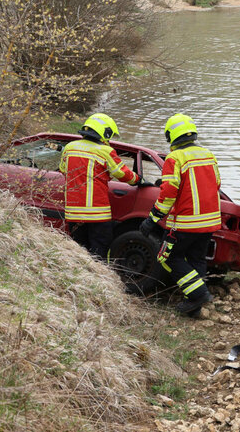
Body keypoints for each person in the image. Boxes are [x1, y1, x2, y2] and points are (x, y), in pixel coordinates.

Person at [139, 114, 220, 317]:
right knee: (197, 259)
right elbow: (216, 183)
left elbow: (168, 193)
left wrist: (153, 219)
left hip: (186, 222)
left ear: (170, 135)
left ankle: (198, 295)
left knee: (166, 257)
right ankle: (194, 307)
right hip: (210, 221)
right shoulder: (208, 154)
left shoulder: (175, 158)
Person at [59, 113, 139, 259]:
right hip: (97, 213)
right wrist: (138, 180)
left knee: (78, 249)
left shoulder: (69, 148)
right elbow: (122, 173)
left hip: (73, 212)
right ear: (105, 132)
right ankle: (96, 279)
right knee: (99, 252)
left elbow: (63, 170)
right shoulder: (104, 151)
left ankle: (78, 277)